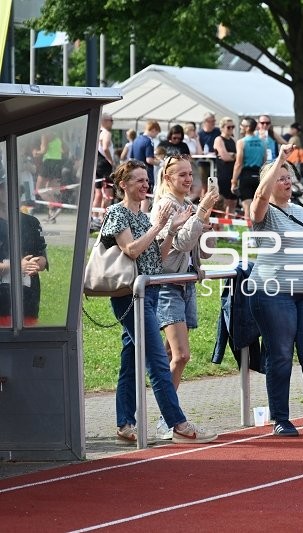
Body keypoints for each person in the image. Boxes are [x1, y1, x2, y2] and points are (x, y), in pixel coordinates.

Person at [100, 160, 217, 444]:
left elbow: (158, 258)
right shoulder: (118, 213)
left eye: (145, 180)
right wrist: (161, 226)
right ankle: (176, 423)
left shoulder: (143, 217)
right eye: (138, 180)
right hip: (129, 295)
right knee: (156, 358)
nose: (145, 185)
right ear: (123, 185)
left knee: (131, 360)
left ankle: (125, 423)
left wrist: (173, 229)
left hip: (150, 291)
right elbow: (131, 250)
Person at [247, 144, 303, 437]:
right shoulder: (263, 211)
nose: (285, 181)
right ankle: (282, 419)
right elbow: (260, 195)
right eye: (279, 177)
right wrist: (279, 160)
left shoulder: (300, 211)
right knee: (281, 354)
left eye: (288, 177)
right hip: (273, 292)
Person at [151, 154, 219, 439]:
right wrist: (201, 215)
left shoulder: (188, 205)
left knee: (169, 355)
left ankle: (162, 416)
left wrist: (208, 227)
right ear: (168, 178)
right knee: (181, 355)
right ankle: (169, 419)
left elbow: (202, 251)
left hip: (184, 284)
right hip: (168, 285)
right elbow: (176, 244)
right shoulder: (166, 205)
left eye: (190, 174)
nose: (189, 179)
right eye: (182, 175)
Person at [0, 174, 48, 327]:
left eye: (15, 190)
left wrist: (37, 264)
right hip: (2, 301)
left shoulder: (32, 222)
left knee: (27, 345)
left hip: (27, 300)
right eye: (3, 188)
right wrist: (16, 267)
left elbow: (42, 256)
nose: (9, 193)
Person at [231, 117, 265, 217]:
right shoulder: (262, 142)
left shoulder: (241, 142)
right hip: (259, 175)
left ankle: (249, 232)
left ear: (247, 127)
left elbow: (238, 163)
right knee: (258, 210)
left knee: (247, 210)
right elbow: (264, 161)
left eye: (242, 125)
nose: (240, 127)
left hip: (246, 175)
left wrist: (233, 181)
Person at [93, 113, 115, 231]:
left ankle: (95, 217)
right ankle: (102, 217)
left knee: (98, 193)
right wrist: (111, 161)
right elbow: (106, 148)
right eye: (111, 120)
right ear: (105, 121)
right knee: (108, 193)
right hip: (105, 166)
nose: (112, 123)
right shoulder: (106, 133)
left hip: (98, 165)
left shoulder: (98, 132)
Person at [212, 116, 238, 216]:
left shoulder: (233, 140)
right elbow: (225, 157)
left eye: (233, 127)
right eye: (228, 127)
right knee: (224, 202)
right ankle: (222, 226)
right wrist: (232, 155)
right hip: (224, 173)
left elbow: (239, 156)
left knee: (233, 202)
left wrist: (233, 155)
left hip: (233, 174)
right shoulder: (219, 140)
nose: (231, 129)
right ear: (222, 127)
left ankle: (229, 226)